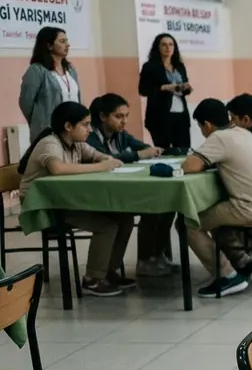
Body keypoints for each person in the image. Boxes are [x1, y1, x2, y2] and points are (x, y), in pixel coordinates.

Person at [18, 102, 133, 296]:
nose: (90, 129)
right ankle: (93, 280)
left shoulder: (77, 144)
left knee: (124, 217)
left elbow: (100, 157)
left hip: (66, 201)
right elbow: (58, 169)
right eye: (85, 124)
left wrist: (107, 161)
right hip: (44, 206)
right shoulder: (50, 142)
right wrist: (101, 167)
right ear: (68, 127)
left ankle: (107, 272)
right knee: (107, 225)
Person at [181, 99, 252, 298]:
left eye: (200, 127)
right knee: (214, 212)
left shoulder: (219, 138)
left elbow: (189, 166)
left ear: (207, 125)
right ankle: (244, 261)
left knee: (187, 222)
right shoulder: (242, 132)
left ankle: (226, 276)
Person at [86, 93, 176, 278]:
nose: (124, 121)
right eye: (119, 116)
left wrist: (153, 151)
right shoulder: (91, 137)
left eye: (127, 116)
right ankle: (144, 260)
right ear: (103, 116)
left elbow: (142, 147)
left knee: (165, 206)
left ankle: (155, 256)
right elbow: (106, 158)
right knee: (152, 206)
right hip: (100, 192)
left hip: (119, 187)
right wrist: (139, 155)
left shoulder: (120, 135)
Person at [20, 26, 81, 139]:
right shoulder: (37, 70)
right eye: (62, 41)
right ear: (49, 46)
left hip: (72, 131)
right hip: (48, 132)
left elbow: (77, 98)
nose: (67, 45)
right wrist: (38, 122)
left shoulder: (70, 69)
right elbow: (26, 102)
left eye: (67, 41)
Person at [137, 33, 194, 150]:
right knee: (165, 151)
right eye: (164, 45)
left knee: (184, 150)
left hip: (181, 114)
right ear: (157, 47)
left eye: (171, 44)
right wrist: (163, 88)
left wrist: (186, 88)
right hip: (159, 116)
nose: (168, 47)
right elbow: (143, 90)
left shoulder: (179, 66)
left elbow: (183, 87)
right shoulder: (150, 66)